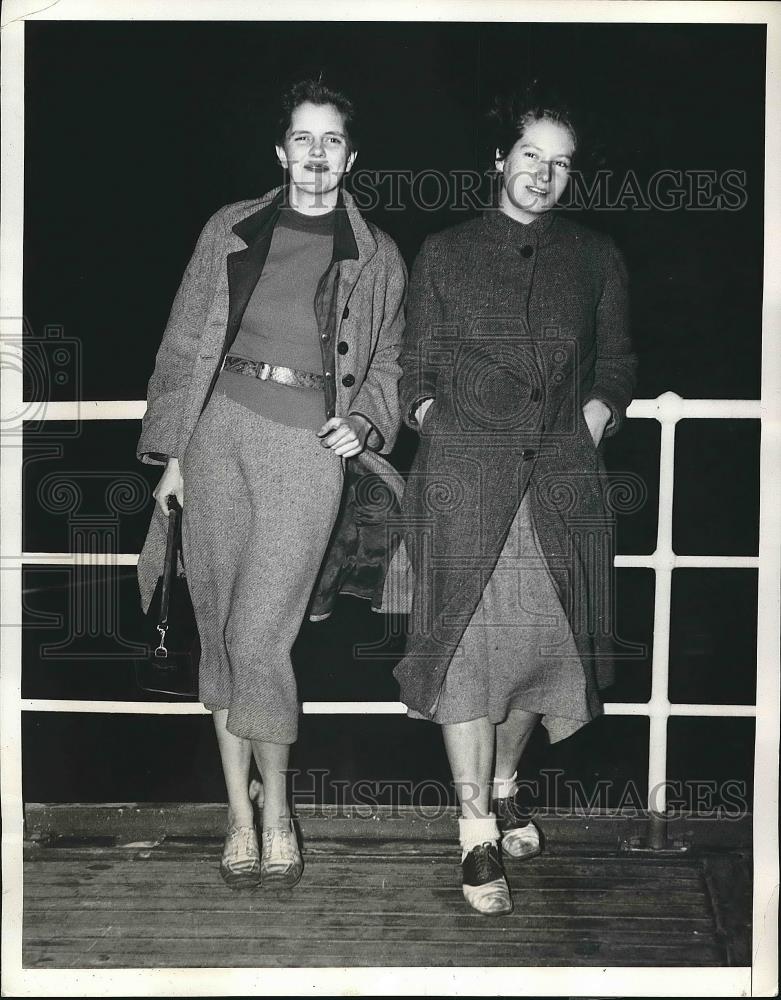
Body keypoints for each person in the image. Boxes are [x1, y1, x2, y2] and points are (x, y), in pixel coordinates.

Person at [135, 78, 407, 890]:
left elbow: (390, 359)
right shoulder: (232, 227)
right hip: (218, 435)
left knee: (261, 638)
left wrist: (363, 423)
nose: (315, 154)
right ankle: (239, 816)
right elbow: (184, 344)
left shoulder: (377, 254)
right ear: (280, 151)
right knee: (220, 634)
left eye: (331, 141)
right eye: (302, 138)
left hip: (305, 449)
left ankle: (280, 808)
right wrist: (173, 454)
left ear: (350, 159)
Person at [393, 85, 637, 915]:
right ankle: (471, 833)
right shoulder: (444, 252)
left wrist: (596, 418)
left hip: (559, 489)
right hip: (466, 491)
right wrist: (443, 425)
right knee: (466, 655)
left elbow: (616, 365)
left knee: (541, 652)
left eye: (560, 163)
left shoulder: (595, 256)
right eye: (530, 155)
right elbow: (413, 378)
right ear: (499, 160)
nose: (543, 173)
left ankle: (502, 784)